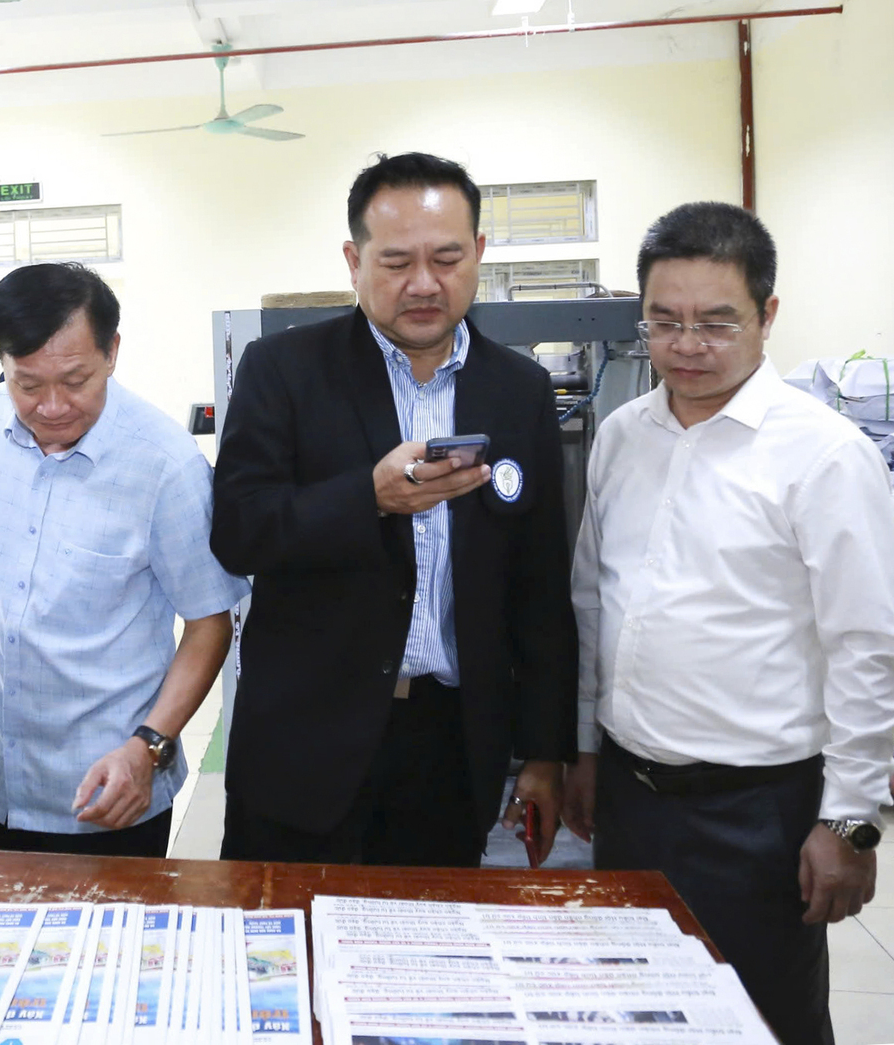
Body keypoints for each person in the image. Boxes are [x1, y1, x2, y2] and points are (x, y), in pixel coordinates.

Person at [561, 202, 894, 1045]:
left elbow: (869, 643)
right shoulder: (623, 436)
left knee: (762, 1025)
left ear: (767, 315)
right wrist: (587, 747)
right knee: (636, 1018)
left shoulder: (823, 454)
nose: (687, 345)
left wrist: (850, 819)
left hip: (760, 814)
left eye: (717, 322)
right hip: (633, 799)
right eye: (664, 322)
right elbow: (594, 599)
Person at [209, 152, 577, 867]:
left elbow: (539, 588)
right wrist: (366, 496)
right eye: (396, 261)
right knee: (285, 956)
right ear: (354, 260)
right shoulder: (283, 370)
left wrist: (544, 753)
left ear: (478, 253)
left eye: (446, 258)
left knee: (427, 965)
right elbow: (238, 531)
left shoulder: (518, 388)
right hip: (305, 746)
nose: (423, 284)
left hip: (451, 747)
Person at [0, 261, 247, 858]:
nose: (51, 406)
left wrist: (149, 744)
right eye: (27, 383)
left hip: (109, 786)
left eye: (75, 380)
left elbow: (208, 625)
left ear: (113, 351)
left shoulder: (164, 465)